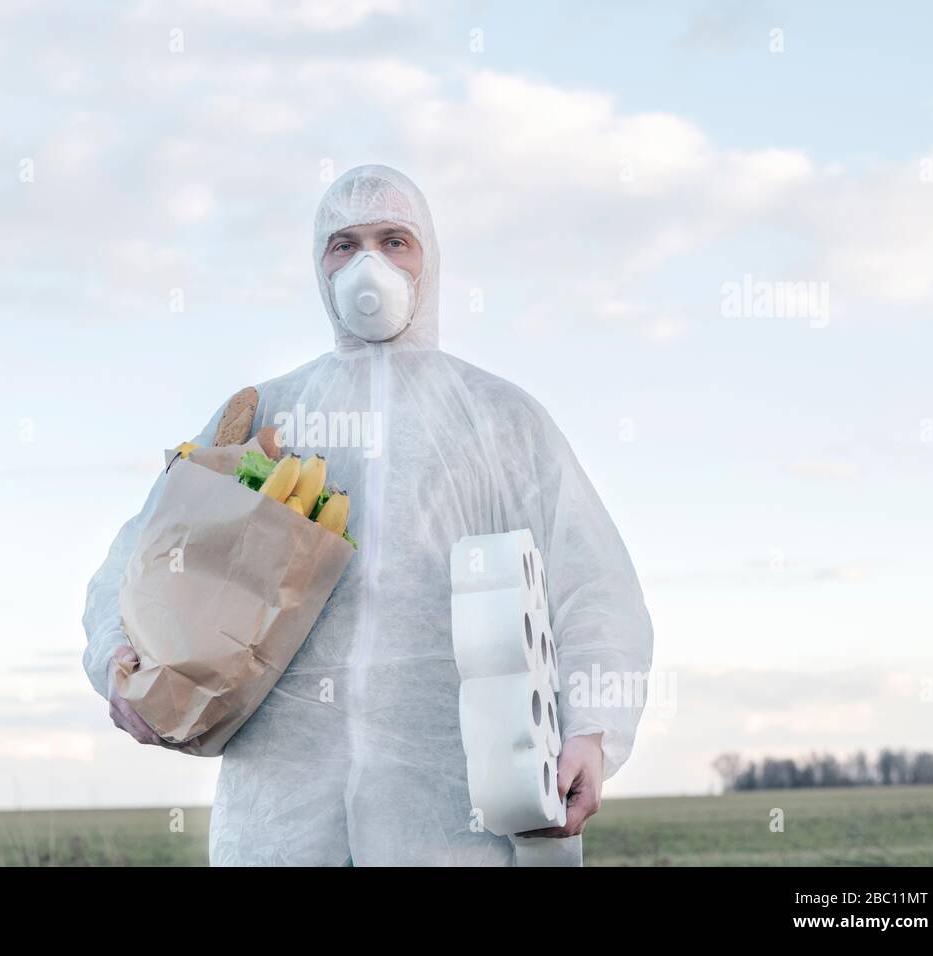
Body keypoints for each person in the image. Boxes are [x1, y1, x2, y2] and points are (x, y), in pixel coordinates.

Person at [83, 164, 654, 865]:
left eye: (394, 241)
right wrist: (116, 658)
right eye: (344, 245)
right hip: (280, 815)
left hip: (454, 816)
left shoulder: (502, 420)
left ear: (429, 260)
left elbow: (591, 581)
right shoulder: (261, 416)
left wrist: (592, 729)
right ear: (318, 266)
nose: (368, 265)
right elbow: (144, 554)